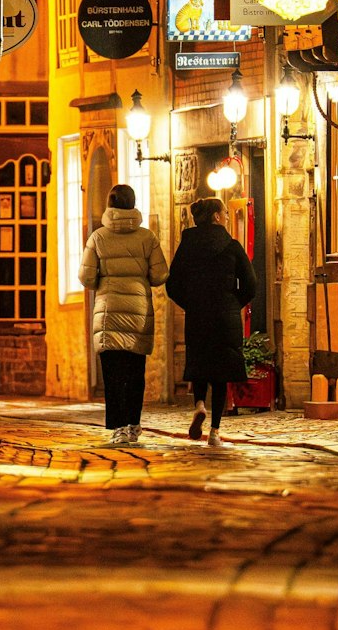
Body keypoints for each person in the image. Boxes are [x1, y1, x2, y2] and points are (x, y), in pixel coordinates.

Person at [78, 184, 169, 445]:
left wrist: (102, 282)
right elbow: (160, 274)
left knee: (113, 373)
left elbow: (86, 276)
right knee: (135, 371)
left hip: (108, 312)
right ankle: (133, 423)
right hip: (138, 311)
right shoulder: (147, 238)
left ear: (110, 204)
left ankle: (118, 426)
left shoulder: (98, 238)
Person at [166, 196, 257, 447]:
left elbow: (172, 285)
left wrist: (192, 303)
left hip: (198, 315)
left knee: (199, 363)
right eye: (225, 213)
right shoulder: (232, 246)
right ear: (217, 217)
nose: (227, 216)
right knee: (220, 373)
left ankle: (198, 405)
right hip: (225, 317)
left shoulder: (187, 245)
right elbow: (251, 285)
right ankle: (215, 432)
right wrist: (232, 303)